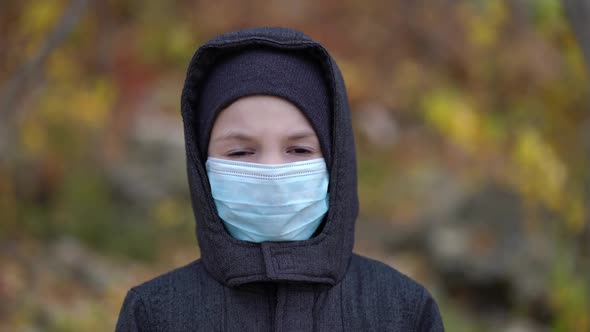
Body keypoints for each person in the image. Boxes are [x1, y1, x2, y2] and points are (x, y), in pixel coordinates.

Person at [115, 26, 444, 331]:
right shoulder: (154, 315)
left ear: (335, 159)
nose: (271, 171)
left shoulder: (403, 311)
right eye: (240, 153)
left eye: (298, 150)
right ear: (202, 166)